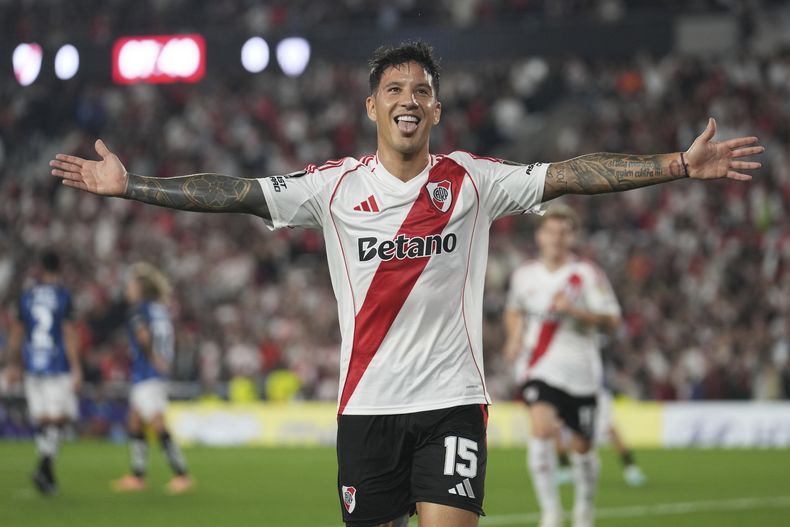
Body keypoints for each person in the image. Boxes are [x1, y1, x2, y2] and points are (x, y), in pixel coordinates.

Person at [48, 41, 763, 527]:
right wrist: (131, 184)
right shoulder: (331, 187)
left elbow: (571, 173)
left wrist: (677, 164)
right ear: (372, 107)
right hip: (367, 408)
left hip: (452, 402)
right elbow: (236, 191)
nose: (409, 97)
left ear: (437, 110)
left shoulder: (473, 180)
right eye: (394, 88)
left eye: (422, 89)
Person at [503, 206, 622, 527]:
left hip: (581, 372)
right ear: (539, 236)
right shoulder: (524, 275)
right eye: (550, 232)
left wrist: (574, 311)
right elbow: (514, 308)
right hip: (539, 366)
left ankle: (584, 510)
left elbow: (612, 320)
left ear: (573, 237)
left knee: (583, 448)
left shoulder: (586, 275)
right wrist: (514, 336)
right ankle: (551, 513)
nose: (556, 238)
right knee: (541, 428)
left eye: (563, 232)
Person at [111, 262, 192, 494]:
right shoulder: (160, 309)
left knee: (157, 423)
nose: (127, 289)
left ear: (140, 288)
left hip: (147, 372)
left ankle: (182, 474)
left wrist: (154, 359)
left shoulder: (138, 310)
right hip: (153, 373)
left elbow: (144, 337)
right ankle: (137, 476)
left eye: (130, 285)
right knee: (135, 421)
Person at [6, 251, 82, 495]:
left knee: (43, 420)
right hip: (57, 364)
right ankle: (44, 467)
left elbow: (16, 332)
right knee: (59, 419)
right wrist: (76, 366)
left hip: (32, 364)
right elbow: (68, 332)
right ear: (60, 266)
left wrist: (12, 364)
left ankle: (47, 477)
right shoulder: (63, 295)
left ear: (41, 267)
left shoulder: (27, 295)